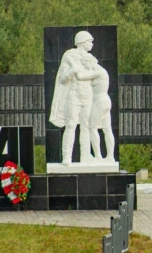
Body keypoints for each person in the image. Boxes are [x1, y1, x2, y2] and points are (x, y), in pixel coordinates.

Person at [48, 31, 101, 164]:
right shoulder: (69, 55)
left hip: (87, 94)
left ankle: (85, 156)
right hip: (74, 95)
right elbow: (62, 80)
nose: (92, 44)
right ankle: (67, 157)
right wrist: (72, 71)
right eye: (90, 41)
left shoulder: (91, 58)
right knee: (71, 125)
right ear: (82, 42)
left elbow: (97, 78)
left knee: (85, 125)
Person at [84, 54, 116, 163]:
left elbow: (81, 76)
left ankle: (98, 156)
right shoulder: (100, 72)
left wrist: (73, 68)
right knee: (107, 129)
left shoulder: (99, 72)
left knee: (91, 127)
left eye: (86, 64)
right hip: (104, 102)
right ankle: (110, 157)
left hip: (100, 102)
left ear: (91, 62)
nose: (86, 67)